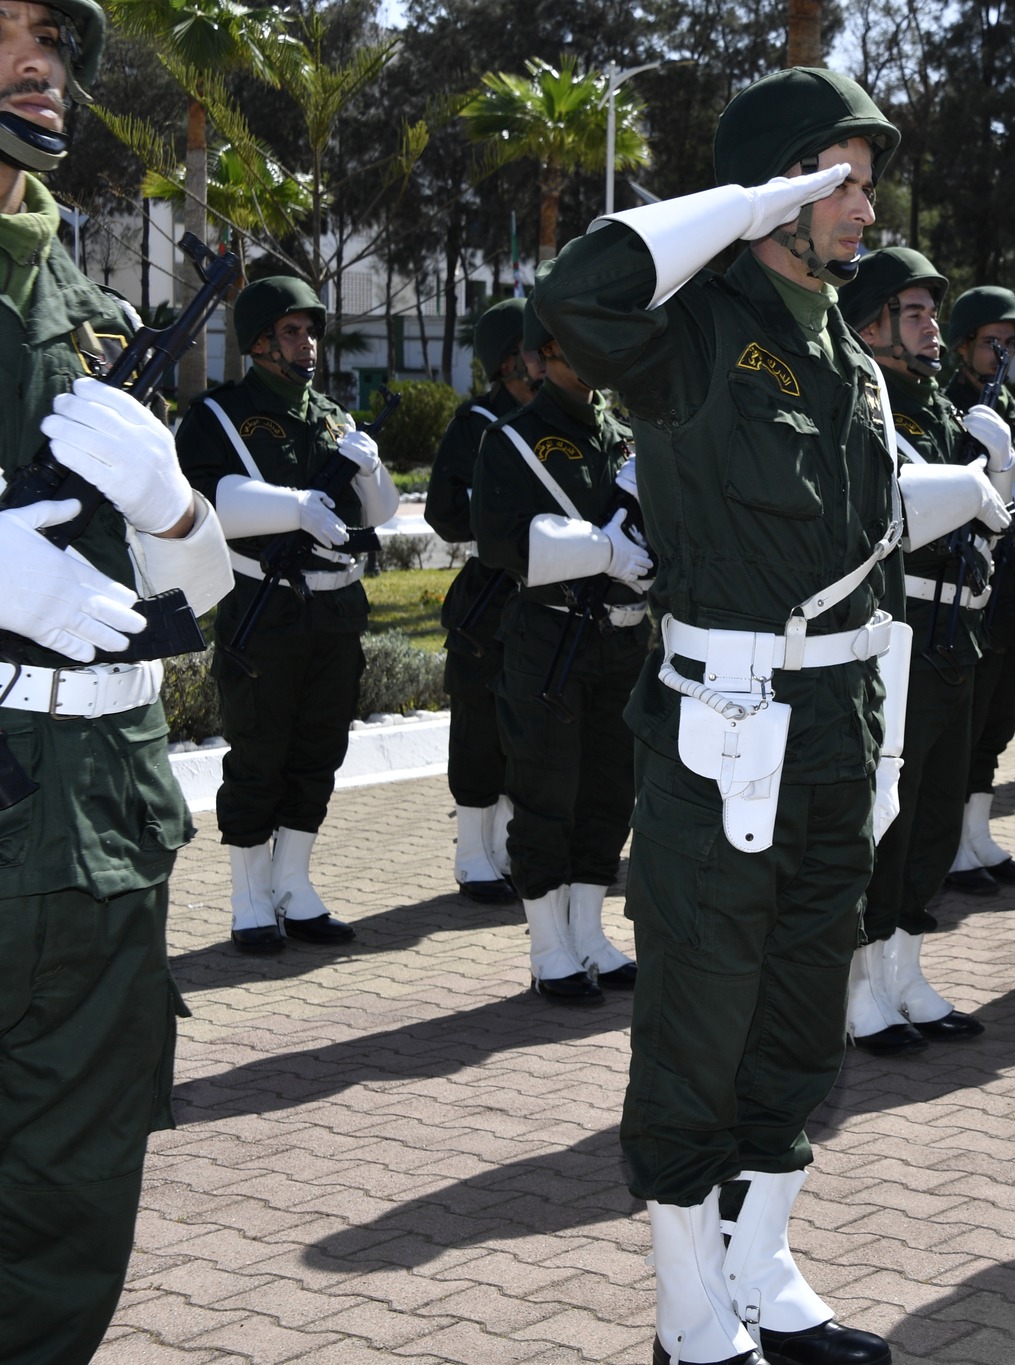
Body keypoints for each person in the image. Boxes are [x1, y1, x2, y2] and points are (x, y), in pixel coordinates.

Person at [534, 65, 998, 1365]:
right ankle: (690, 1312)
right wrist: (738, 206)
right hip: (723, 728)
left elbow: (851, 536)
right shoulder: (698, 327)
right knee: (704, 1007)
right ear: (777, 188)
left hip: (840, 719)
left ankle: (763, 1262)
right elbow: (574, 297)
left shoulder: (839, 343)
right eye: (836, 181)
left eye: (865, 181)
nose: (863, 207)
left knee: (802, 1001)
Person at [0, 6, 233, 1358]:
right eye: (10, 30)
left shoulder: (99, 319)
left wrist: (174, 513)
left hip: (96, 838)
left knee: (70, 1226)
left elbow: (199, 609)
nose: (45, 67)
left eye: (60, 41)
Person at [177, 272, 399, 952]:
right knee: (260, 751)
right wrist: (296, 505)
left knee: (318, 751)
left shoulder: (332, 416)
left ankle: (292, 884)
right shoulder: (218, 416)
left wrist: (369, 469)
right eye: (293, 332)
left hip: (334, 613)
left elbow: (381, 514)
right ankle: (249, 897)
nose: (308, 345)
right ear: (259, 341)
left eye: (311, 332)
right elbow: (210, 499)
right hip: (264, 610)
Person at [840, 245, 1007, 1052]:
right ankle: (857, 985)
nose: (934, 327)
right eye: (915, 313)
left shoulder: (941, 406)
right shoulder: (860, 403)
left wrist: (998, 468)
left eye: (933, 312)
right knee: (887, 820)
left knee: (936, 815)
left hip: (955, 636)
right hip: (897, 635)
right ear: (871, 325)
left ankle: (903, 969)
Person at [469, 293, 649, 1005]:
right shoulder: (510, 438)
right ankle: (549, 945)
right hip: (551, 638)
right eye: (578, 345)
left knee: (609, 792)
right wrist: (604, 548)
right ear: (542, 356)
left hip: (622, 639)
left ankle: (589, 932)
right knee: (547, 792)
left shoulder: (622, 437)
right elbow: (504, 542)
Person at [424, 295, 538, 904]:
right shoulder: (476, 426)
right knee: (478, 730)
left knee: (528, 733)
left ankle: (507, 849)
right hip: (489, 600)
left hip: (549, 600)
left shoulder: (560, 421)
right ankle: (473, 855)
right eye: (532, 346)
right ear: (506, 361)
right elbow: (445, 512)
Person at [940, 284, 1015, 893]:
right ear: (963, 347)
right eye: (990, 341)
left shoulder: (1012, 407)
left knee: (998, 722)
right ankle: (949, 840)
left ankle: (976, 833)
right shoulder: (953, 405)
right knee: (966, 722)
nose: (1001, 351)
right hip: (969, 589)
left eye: (1008, 341)